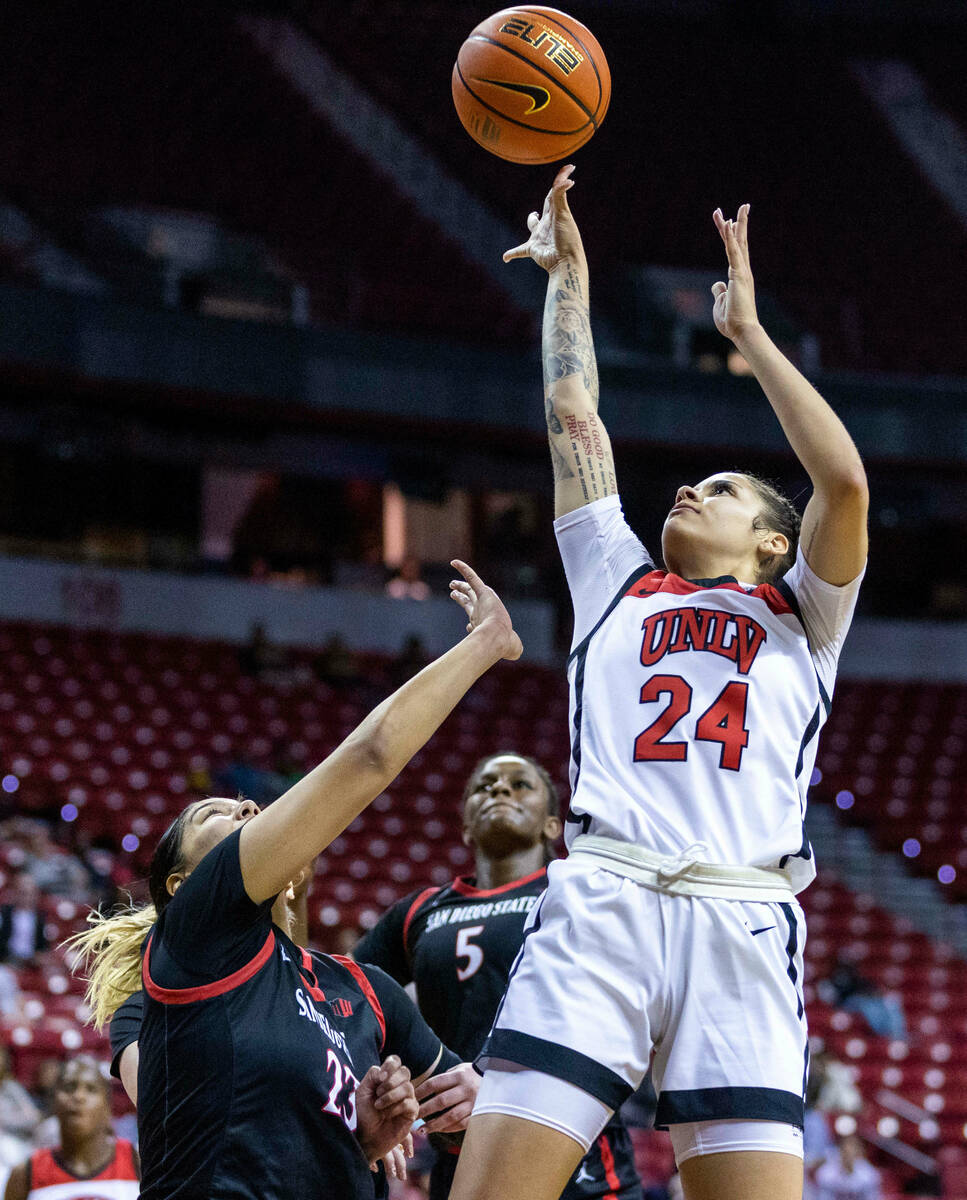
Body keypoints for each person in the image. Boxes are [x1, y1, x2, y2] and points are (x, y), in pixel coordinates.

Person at [449, 167, 868, 1200]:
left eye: (720, 491)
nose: (688, 489)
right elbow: (570, 410)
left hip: (743, 915)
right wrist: (570, 276)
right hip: (605, 903)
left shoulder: (804, 616)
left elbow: (846, 483)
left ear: (773, 542)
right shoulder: (615, 581)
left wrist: (751, 344)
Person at [69, 561, 521, 1200]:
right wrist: (485, 643)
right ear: (182, 885)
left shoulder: (364, 988)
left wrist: (399, 1122)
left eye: (247, 805)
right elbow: (369, 756)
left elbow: (466, 1120)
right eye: (215, 812)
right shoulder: (194, 938)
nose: (248, 808)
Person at [355, 751, 642, 1200]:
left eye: (520, 784)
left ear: (552, 824)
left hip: (578, 1158)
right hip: (460, 1157)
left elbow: (624, 1018)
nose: (500, 790)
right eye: (484, 786)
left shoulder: (578, 890)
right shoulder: (418, 911)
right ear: (466, 825)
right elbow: (345, 999)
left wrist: (501, 1086)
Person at [3, 1056, 139, 1200]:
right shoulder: (24, 1175)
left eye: (91, 1089)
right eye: (69, 1088)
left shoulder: (138, 1162)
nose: (78, 1096)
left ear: (107, 1107)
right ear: (53, 1101)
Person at [814, 1134, 880, 1200]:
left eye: (852, 1150)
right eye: (846, 1150)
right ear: (840, 1150)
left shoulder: (869, 1174)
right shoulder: (826, 1173)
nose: (849, 1154)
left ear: (859, 1153)